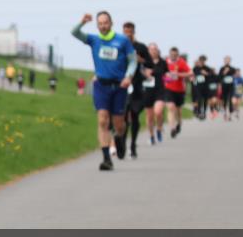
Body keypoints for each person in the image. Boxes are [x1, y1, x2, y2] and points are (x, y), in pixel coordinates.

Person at [71, 11, 138, 171]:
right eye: (100, 23)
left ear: (111, 23)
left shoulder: (122, 40)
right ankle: (106, 158)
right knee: (102, 120)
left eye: (105, 22)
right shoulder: (94, 40)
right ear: (97, 25)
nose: (103, 26)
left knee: (119, 124)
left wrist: (128, 76)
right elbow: (74, 33)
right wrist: (82, 22)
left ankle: (120, 137)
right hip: (101, 85)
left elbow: (133, 61)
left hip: (119, 86)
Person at [121, 22, 151, 158]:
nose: (127, 34)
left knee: (134, 115)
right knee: (122, 117)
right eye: (125, 32)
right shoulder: (119, 45)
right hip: (123, 84)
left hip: (137, 85)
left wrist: (141, 60)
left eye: (130, 32)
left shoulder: (141, 47)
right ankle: (122, 143)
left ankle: (133, 144)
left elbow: (150, 63)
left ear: (134, 32)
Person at [142, 43, 169, 145]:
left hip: (159, 90)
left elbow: (166, 74)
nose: (153, 51)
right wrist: (144, 73)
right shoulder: (144, 62)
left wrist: (168, 77)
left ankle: (159, 128)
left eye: (155, 49)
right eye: (151, 49)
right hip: (147, 91)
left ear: (158, 51)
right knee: (149, 116)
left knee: (158, 112)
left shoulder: (163, 62)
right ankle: (151, 135)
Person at [164, 47, 193, 138]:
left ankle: (179, 124)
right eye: (172, 54)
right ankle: (172, 128)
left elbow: (190, 73)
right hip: (168, 89)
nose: (173, 56)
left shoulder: (181, 62)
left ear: (177, 55)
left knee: (178, 111)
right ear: (169, 54)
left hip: (180, 90)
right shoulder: (165, 62)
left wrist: (178, 74)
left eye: (175, 55)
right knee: (171, 108)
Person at [218, 56, 238, 121]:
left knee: (231, 100)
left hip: (231, 86)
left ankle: (230, 114)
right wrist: (225, 72)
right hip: (224, 87)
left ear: (230, 61)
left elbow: (236, 76)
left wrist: (235, 75)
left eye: (228, 60)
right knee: (225, 101)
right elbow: (219, 77)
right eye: (226, 60)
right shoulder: (221, 68)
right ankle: (225, 114)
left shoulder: (233, 69)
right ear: (224, 61)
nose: (227, 61)